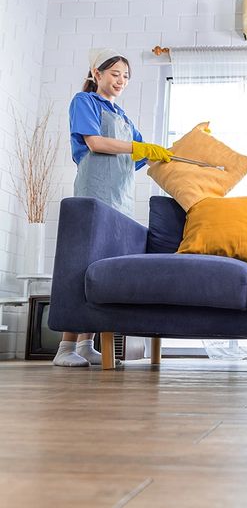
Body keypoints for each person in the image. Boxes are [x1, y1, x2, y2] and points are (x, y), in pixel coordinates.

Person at [53, 48, 173, 367]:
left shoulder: (122, 117)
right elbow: (96, 143)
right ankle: (65, 348)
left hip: (120, 197)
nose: (120, 80)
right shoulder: (85, 102)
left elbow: (135, 159)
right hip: (93, 193)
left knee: (104, 271)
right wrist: (138, 147)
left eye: (126, 76)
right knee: (82, 264)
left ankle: (87, 344)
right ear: (97, 74)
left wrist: (165, 154)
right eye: (115, 74)